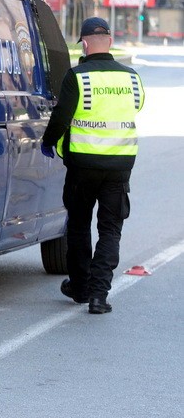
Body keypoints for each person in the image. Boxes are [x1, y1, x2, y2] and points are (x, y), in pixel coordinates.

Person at [41, 17, 145, 314]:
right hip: (119, 166)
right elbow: (137, 106)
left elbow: (62, 116)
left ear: (84, 44)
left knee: (79, 225)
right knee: (110, 229)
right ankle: (99, 295)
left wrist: (48, 142)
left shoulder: (78, 76)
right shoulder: (132, 78)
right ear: (110, 42)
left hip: (82, 165)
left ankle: (81, 286)